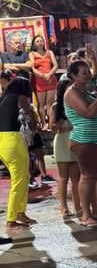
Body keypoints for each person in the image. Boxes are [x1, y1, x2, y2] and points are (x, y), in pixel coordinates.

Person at [63, 59, 97, 227]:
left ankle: (96, 210)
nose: (88, 75)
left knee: (93, 177)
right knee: (87, 177)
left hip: (96, 141)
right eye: (84, 73)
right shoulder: (72, 92)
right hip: (86, 140)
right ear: (73, 76)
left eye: (88, 72)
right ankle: (85, 215)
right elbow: (89, 112)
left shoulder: (84, 89)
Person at [0, 76, 37, 234]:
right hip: (14, 140)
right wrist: (34, 118)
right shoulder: (21, 98)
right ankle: (11, 220)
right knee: (19, 181)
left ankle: (20, 213)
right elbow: (32, 118)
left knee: (23, 177)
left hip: (2, 141)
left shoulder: (3, 98)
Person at [50, 77, 80, 219]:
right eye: (69, 85)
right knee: (63, 177)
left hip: (75, 138)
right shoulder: (56, 106)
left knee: (76, 177)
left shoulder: (75, 103)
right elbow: (52, 128)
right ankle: (63, 207)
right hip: (62, 139)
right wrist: (60, 121)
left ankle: (78, 205)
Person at [28, 35, 58, 128]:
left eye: (41, 41)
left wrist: (49, 74)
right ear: (34, 44)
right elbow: (32, 68)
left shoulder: (49, 52)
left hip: (50, 79)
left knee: (50, 104)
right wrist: (42, 75)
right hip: (39, 80)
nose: (40, 43)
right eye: (37, 41)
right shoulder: (32, 54)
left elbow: (55, 65)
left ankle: (50, 123)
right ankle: (43, 123)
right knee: (41, 104)